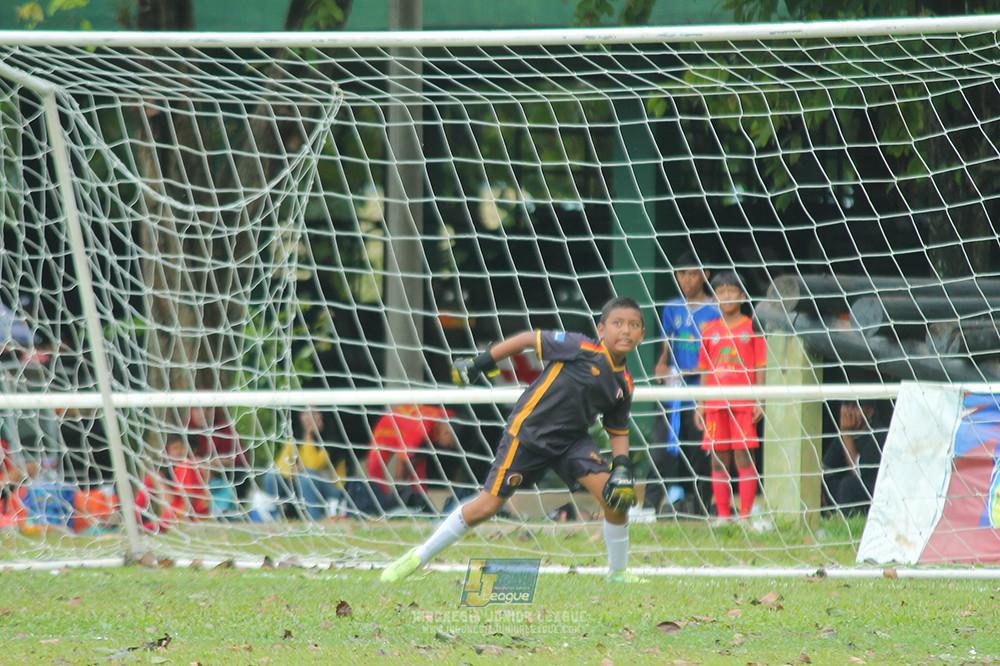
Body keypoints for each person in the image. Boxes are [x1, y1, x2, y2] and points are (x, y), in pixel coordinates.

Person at [381, 296, 648, 584]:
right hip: (529, 434)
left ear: (642, 335)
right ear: (601, 329)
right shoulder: (580, 347)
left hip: (573, 443)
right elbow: (527, 339)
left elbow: (617, 429)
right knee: (486, 507)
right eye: (617, 323)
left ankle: (618, 573)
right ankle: (418, 557)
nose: (625, 330)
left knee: (615, 498)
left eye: (633, 325)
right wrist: (482, 361)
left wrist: (621, 466)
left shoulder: (624, 382)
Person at [645, 253, 720, 516]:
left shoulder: (717, 309)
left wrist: (695, 370)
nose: (685, 280)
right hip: (674, 394)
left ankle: (699, 510)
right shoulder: (672, 308)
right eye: (681, 274)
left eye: (691, 273)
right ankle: (648, 509)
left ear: (704, 275)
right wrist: (661, 365)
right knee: (661, 453)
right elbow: (667, 349)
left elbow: (720, 353)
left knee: (699, 456)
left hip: (702, 394)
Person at [695, 271, 766, 521]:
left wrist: (759, 399)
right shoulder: (709, 330)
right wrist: (701, 404)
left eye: (731, 291)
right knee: (718, 458)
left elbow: (760, 366)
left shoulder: (752, 327)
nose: (726, 296)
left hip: (743, 403)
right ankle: (723, 517)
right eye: (721, 292)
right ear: (714, 299)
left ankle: (745, 516)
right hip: (715, 404)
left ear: (742, 296)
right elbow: (705, 369)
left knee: (743, 455)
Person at [349, 404, 457, 516]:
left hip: (412, 428)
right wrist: (400, 489)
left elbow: (416, 458)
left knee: (419, 473)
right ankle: (383, 508)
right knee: (375, 468)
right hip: (389, 427)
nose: (450, 446)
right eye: (450, 444)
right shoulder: (419, 431)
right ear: (446, 433)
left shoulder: (449, 417)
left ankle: (420, 507)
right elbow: (401, 461)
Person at [264, 408, 347, 520]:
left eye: (315, 413)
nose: (310, 417)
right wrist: (293, 470)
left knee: (307, 477)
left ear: (323, 415)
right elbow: (281, 466)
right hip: (300, 485)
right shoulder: (296, 438)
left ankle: (314, 519)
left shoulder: (331, 440)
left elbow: (313, 465)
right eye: (306, 413)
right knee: (272, 476)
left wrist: (309, 436)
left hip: (332, 489)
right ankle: (274, 517)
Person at [135, 433, 211, 531]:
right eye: (175, 448)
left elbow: (189, 499)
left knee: (154, 477)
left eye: (183, 448)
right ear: (168, 452)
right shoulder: (177, 469)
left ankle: (134, 517)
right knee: (154, 476)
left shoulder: (187, 465)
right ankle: (135, 517)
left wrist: (185, 520)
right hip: (179, 510)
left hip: (186, 513)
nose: (179, 452)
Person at [822, 400, 886, 516]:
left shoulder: (879, 433)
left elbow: (858, 472)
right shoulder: (842, 436)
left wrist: (846, 434)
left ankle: (846, 520)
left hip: (875, 495)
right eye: (846, 405)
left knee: (849, 484)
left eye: (856, 406)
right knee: (829, 485)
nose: (849, 411)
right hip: (848, 494)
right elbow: (825, 469)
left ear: (870, 411)